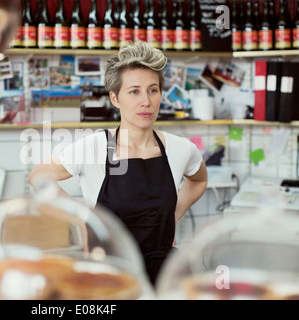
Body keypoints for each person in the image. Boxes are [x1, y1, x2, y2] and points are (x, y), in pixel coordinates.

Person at [28, 41, 208, 286]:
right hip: (109, 273)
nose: (146, 101)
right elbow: (38, 177)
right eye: (134, 91)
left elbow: (199, 180)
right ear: (115, 98)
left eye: (153, 90)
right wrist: (83, 220)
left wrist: (174, 216)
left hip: (162, 274)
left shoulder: (180, 149)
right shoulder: (93, 147)